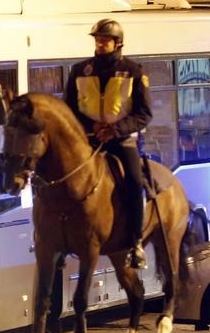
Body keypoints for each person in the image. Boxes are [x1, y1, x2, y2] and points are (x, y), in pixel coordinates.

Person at [64, 19, 153, 269]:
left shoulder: (134, 71)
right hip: (87, 141)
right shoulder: (79, 70)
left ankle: (135, 244)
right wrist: (88, 126)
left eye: (105, 39)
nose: (100, 43)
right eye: (97, 39)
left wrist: (115, 130)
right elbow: (68, 108)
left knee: (135, 184)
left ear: (118, 43)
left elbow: (144, 114)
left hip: (122, 141)